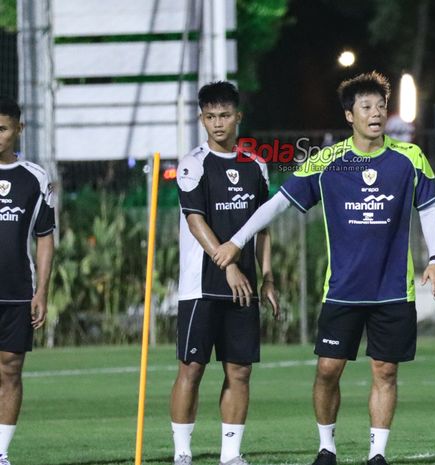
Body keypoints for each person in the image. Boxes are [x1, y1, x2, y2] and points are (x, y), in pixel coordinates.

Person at [213, 71, 435, 465]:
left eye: (381, 107)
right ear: (349, 115)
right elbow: (279, 203)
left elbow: (429, 209)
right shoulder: (329, 163)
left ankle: (377, 455)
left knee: (385, 371)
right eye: (366, 107)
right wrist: (237, 241)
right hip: (343, 289)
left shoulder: (409, 158)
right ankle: (327, 447)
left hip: (393, 288)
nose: (376, 113)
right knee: (327, 370)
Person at [171, 81, 279, 465]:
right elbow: (196, 220)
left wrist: (267, 276)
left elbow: (263, 226)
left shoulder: (256, 166)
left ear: (238, 117)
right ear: (202, 118)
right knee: (192, 369)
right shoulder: (191, 164)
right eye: (211, 116)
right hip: (200, 287)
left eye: (225, 115)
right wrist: (229, 264)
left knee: (240, 371)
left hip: (245, 287)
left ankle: (230, 455)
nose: (218, 123)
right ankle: (182, 453)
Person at [0, 96, 56, 465]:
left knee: (10, 368)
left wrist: (41, 292)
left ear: (19, 129)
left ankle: (0, 452)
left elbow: (45, 236)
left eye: (2, 128)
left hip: (17, 291)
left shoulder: (34, 177)